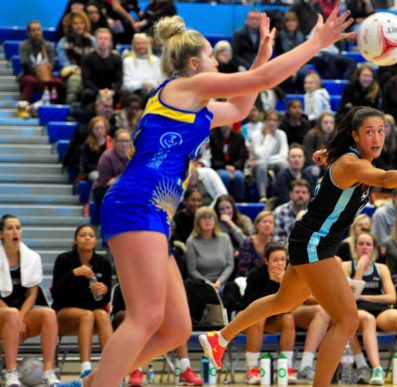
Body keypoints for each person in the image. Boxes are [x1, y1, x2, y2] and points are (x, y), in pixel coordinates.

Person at [59, 9, 355, 387]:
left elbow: (241, 107)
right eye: (213, 59)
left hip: (150, 209)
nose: (217, 63)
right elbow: (260, 81)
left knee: (177, 328)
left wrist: (263, 56)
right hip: (138, 201)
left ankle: (87, 383)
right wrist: (316, 43)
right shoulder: (182, 88)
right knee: (145, 318)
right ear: (196, 63)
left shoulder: (193, 104)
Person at [200, 106, 397, 387]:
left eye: (381, 131)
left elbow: (348, 167)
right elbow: (386, 180)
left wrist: (326, 155)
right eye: (369, 132)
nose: (377, 137)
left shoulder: (354, 161)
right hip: (314, 243)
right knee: (347, 320)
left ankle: (219, 338)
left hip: (310, 241)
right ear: (355, 136)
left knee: (284, 301)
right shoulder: (353, 164)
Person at [344, 232, 397, 385]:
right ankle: (377, 369)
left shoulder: (381, 268)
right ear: (355, 247)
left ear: (374, 248)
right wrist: (359, 270)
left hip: (380, 311)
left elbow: (392, 297)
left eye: (368, 244)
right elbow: (350, 297)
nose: (364, 247)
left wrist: (364, 297)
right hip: (357, 311)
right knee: (369, 319)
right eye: (361, 244)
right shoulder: (346, 266)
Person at [0, 215, 61, 387]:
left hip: (21, 314)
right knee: (11, 313)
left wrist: (20, 318)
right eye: (10, 228)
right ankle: (11, 373)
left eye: (18, 227)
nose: (15, 232)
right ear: (1, 233)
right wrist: (14, 318)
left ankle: (49, 371)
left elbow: (32, 295)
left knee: (48, 314)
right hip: (2, 313)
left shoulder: (32, 257)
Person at [52, 225, 113, 379]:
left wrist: (103, 291)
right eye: (82, 235)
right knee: (87, 315)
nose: (87, 238)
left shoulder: (103, 263)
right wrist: (73, 274)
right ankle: (85, 369)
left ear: (95, 240)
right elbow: (56, 293)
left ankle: (110, 368)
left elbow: (104, 301)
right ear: (75, 240)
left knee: (102, 315)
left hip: (92, 313)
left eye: (91, 235)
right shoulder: (64, 260)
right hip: (65, 313)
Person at [238, 242, 299, 384]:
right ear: (266, 261)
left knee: (288, 319)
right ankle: (252, 368)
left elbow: (290, 306)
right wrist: (272, 282)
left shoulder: (289, 276)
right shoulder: (256, 275)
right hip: (249, 318)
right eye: (275, 260)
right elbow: (253, 306)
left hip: (272, 320)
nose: (279, 264)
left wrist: (284, 283)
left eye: (283, 259)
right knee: (258, 317)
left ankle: (286, 367)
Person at [186, 207, 235, 292]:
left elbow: (230, 264)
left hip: (223, 283)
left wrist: (219, 282)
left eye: (210, 217)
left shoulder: (225, 238)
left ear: (215, 221)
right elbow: (192, 270)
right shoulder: (191, 241)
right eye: (203, 218)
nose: (207, 221)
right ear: (197, 222)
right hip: (201, 284)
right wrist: (208, 284)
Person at [247, 110, 290, 203]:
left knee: (283, 164)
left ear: (278, 123)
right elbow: (260, 155)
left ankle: (280, 194)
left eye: (275, 120)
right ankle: (263, 196)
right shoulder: (255, 135)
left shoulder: (281, 134)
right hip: (255, 167)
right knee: (262, 164)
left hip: (270, 163)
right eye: (269, 120)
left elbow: (284, 155)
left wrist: (267, 160)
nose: (271, 123)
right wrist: (268, 137)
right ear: (264, 121)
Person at [18, 20, 64, 104]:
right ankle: (23, 105)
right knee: (31, 81)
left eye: (38, 30)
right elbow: (25, 63)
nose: (37, 32)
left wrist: (44, 72)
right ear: (28, 33)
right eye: (33, 30)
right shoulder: (24, 46)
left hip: (46, 74)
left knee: (58, 82)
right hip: (28, 74)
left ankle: (58, 106)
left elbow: (52, 64)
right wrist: (38, 73)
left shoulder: (48, 46)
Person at [210, 124, 247, 201]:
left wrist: (234, 166)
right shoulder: (212, 136)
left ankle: (239, 201)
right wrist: (224, 166)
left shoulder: (239, 137)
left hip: (235, 167)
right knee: (224, 176)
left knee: (239, 176)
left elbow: (242, 156)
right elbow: (212, 157)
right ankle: (223, 200)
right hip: (218, 167)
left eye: (229, 123)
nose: (226, 125)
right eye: (224, 123)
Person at [237, 211, 276, 278]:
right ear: (257, 225)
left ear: (274, 227)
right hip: (247, 280)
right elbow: (243, 270)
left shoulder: (275, 245)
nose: (267, 224)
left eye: (270, 222)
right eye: (264, 222)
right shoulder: (247, 243)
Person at [273, 179, 312, 243]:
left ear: (308, 195)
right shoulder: (280, 212)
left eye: (304, 192)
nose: (300, 195)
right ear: (291, 194)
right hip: (284, 250)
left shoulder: (313, 213)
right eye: (297, 192)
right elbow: (277, 239)